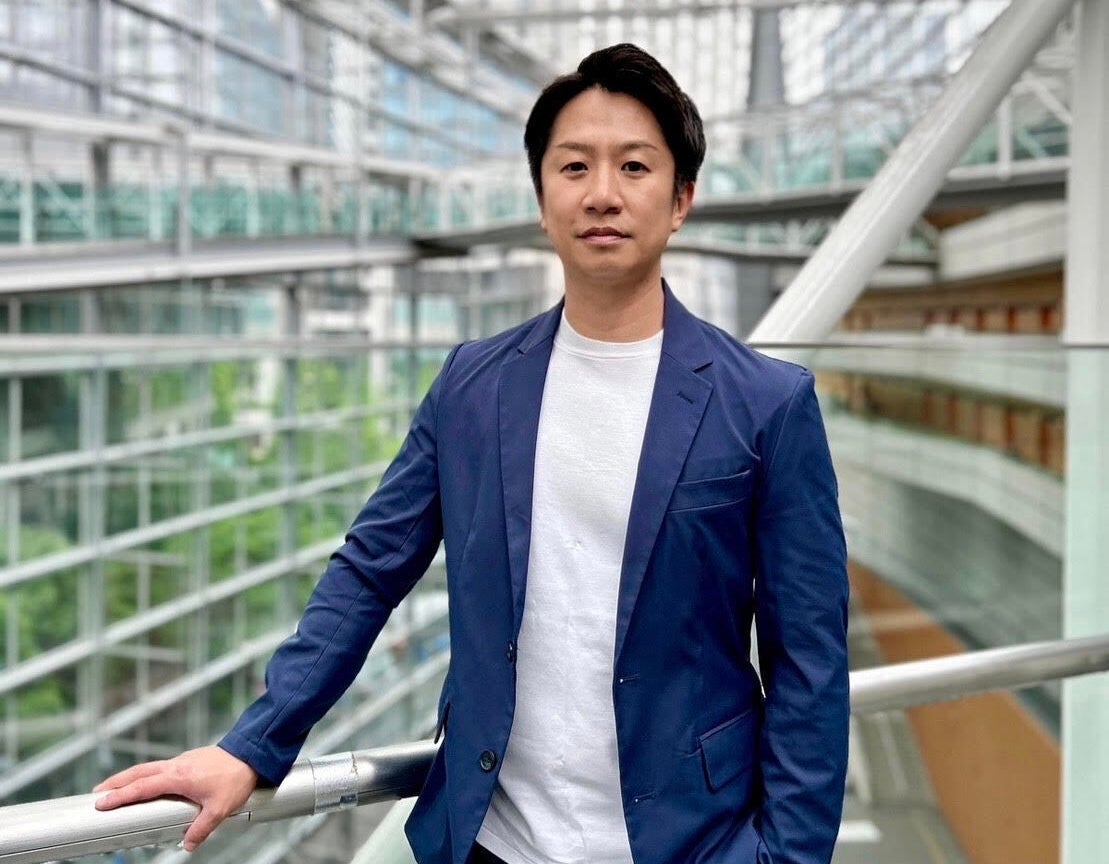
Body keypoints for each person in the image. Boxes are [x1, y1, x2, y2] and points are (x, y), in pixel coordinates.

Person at [95, 44, 849, 864]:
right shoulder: (472, 386)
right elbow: (370, 569)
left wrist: (786, 858)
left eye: (634, 166)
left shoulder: (766, 403)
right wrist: (252, 744)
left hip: (691, 844)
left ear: (680, 200)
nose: (601, 193)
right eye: (573, 166)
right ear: (541, 199)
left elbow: (808, 661)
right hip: (492, 842)